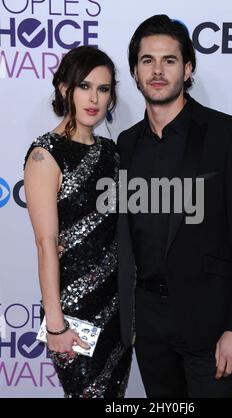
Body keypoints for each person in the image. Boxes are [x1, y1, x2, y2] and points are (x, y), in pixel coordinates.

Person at [117, 15, 232, 398]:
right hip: (148, 323)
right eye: (147, 60)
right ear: (134, 71)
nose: (157, 71)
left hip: (212, 324)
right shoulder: (126, 144)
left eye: (169, 60)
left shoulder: (229, 135)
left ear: (187, 68)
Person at [24, 46, 132, 398]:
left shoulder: (112, 153)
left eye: (103, 89)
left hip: (117, 309)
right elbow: (45, 244)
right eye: (85, 86)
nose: (94, 98)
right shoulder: (45, 154)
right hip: (73, 314)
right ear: (63, 89)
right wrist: (55, 324)